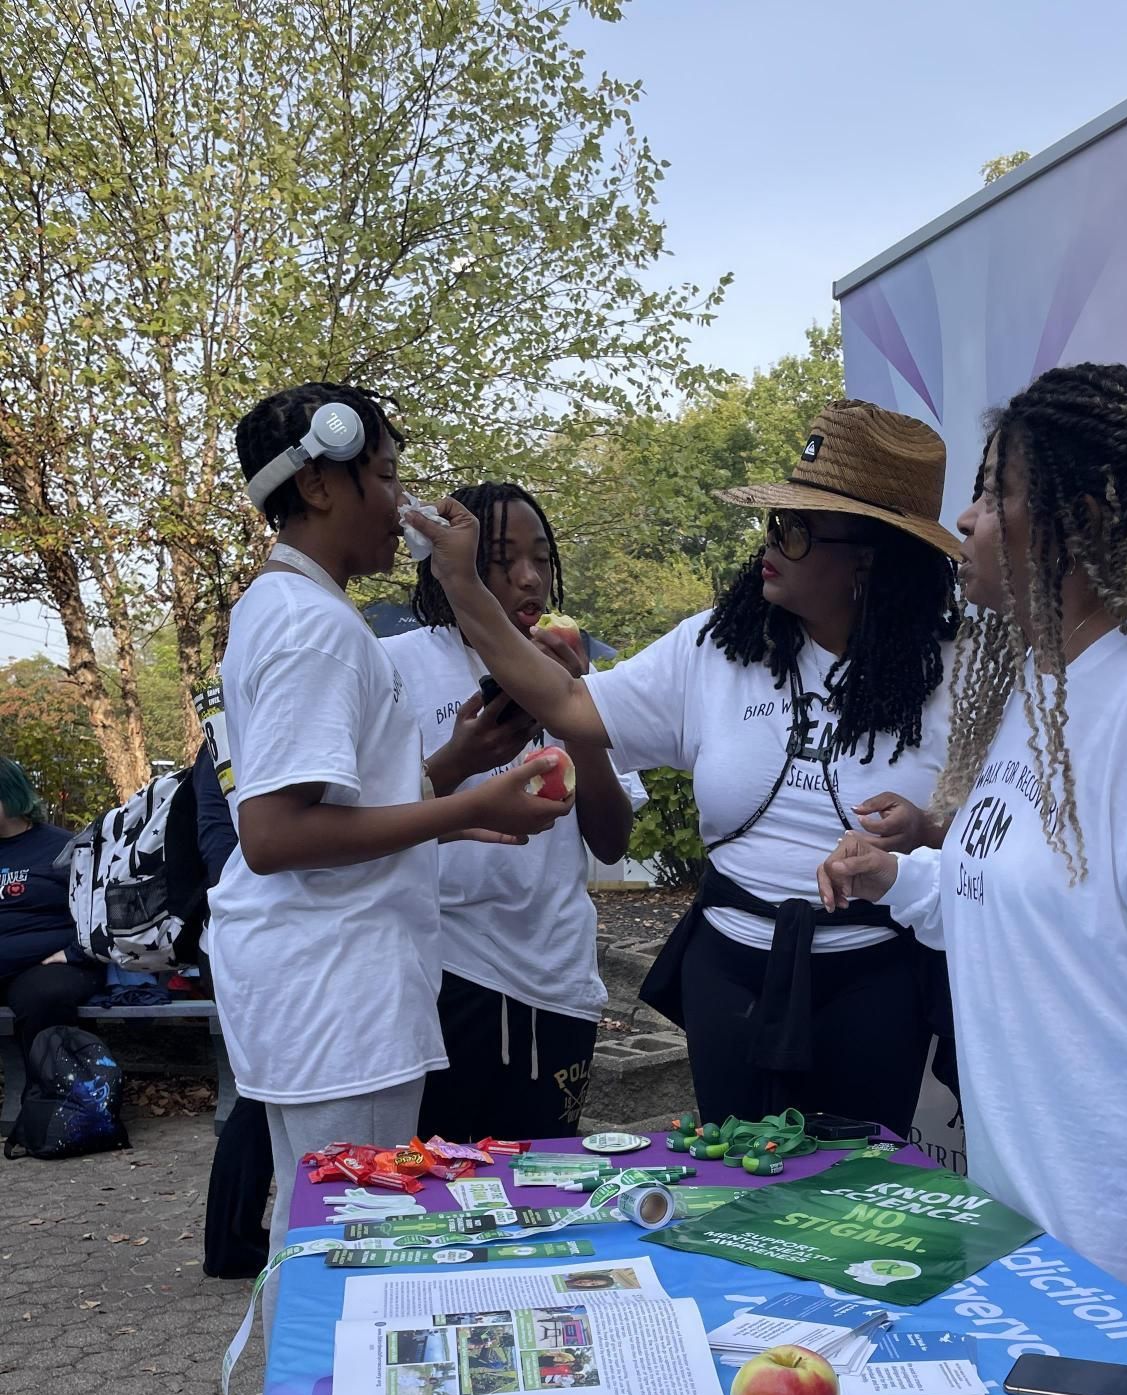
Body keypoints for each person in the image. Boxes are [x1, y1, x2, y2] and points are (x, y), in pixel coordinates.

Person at [818, 363, 1127, 1340]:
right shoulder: (1037, 695)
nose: (964, 521)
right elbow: (1023, 899)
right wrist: (902, 880)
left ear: (1077, 519)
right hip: (1019, 1229)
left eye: (993, 493)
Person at [407, 402, 961, 1136]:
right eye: (772, 523)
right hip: (730, 973)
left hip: (877, 981)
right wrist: (465, 589)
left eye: (796, 530)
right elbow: (570, 705)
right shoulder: (717, 647)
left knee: (856, 1196)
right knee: (739, 1179)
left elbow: (1005, 831)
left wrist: (928, 828)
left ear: (870, 556)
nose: (772, 544)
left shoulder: (958, 669)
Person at [210, 381, 573, 1307]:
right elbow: (276, 833)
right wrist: (464, 807)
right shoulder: (315, 628)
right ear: (321, 485)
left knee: (328, 1241)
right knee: (359, 1258)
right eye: (385, 475)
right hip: (338, 996)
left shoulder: (286, 608)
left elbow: (336, 804)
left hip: (327, 984)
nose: (406, 510)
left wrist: (452, 768)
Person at [385, 481, 641, 1139]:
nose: (528, 578)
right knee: (439, 1191)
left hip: (557, 981)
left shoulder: (572, 674)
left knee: (540, 1189)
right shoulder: (396, 667)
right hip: (443, 973)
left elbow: (610, 843)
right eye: (501, 559)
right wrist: (459, 761)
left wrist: (577, 708)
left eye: (541, 559)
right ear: (453, 562)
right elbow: (365, 827)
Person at [191, 736, 276, 1277]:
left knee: (260, 1095)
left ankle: (233, 1236)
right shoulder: (236, 731)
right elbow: (229, 853)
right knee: (264, 1094)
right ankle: (231, 1241)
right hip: (264, 935)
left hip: (241, 934)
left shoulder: (218, 735)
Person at [0, 757, 104, 1063]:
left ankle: (53, 1098)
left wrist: (74, 952)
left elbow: (98, 911)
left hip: (48, 965)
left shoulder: (64, 849)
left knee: (45, 997)